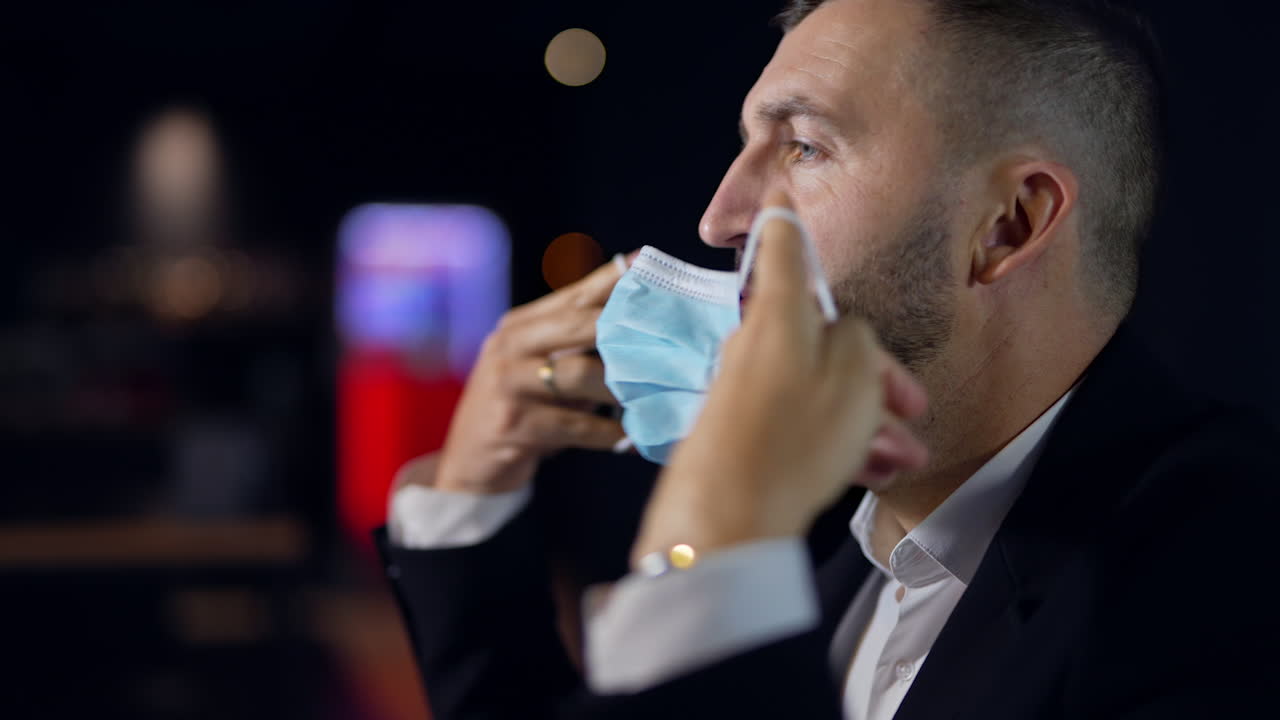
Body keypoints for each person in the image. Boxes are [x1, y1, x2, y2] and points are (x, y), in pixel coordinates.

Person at [378, 1, 1280, 718]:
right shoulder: (831, 518)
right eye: (747, 146)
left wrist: (721, 541)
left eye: (803, 145)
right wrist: (470, 497)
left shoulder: (1227, 587)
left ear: (1007, 227)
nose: (720, 216)